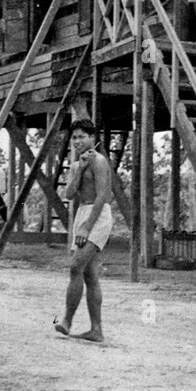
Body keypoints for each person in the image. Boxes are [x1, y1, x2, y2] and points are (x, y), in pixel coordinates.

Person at [54, 119, 113, 342]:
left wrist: (88, 227)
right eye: (75, 137)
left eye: (82, 137)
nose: (78, 141)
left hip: (98, 216)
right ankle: (96, 330)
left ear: (92, 138)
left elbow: (103, 196)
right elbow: (69, 194)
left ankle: (66, 321)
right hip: (82, 213)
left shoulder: (100, 162)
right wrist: (79, 169)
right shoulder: (77, 164)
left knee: (75, 266)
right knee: (89, 274)